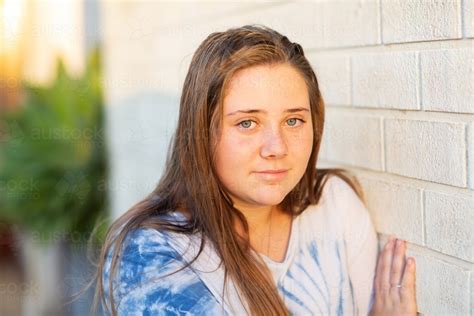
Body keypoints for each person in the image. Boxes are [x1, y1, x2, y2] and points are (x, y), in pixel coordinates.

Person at [93, 24, 417, 315]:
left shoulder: (334, 205)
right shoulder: (151, 255)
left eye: (293, 120)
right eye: (247, 123)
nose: (276, 148)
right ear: (202, 131)